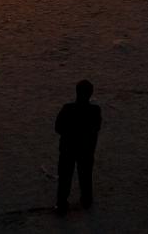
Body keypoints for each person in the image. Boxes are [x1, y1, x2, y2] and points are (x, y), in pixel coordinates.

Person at [54, 80, 102, 212]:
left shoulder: (67, 108)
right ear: (90, 94)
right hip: (86, 150)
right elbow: (97, 127)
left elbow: (58, 128)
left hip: (67, 149)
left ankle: (62, 204)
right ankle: (86, 200)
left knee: (65, 178)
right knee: (85, 176)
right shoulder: (95, 111)